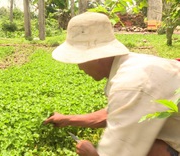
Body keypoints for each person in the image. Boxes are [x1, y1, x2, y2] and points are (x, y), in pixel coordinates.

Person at [43, 12, 180, 156]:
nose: (79, 67)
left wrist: (91, 153)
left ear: (95, 57)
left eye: (79, 60)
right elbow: (116, 113)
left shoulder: (130, 84)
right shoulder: (133, 65)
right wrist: (68, 119)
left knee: (145, 147)